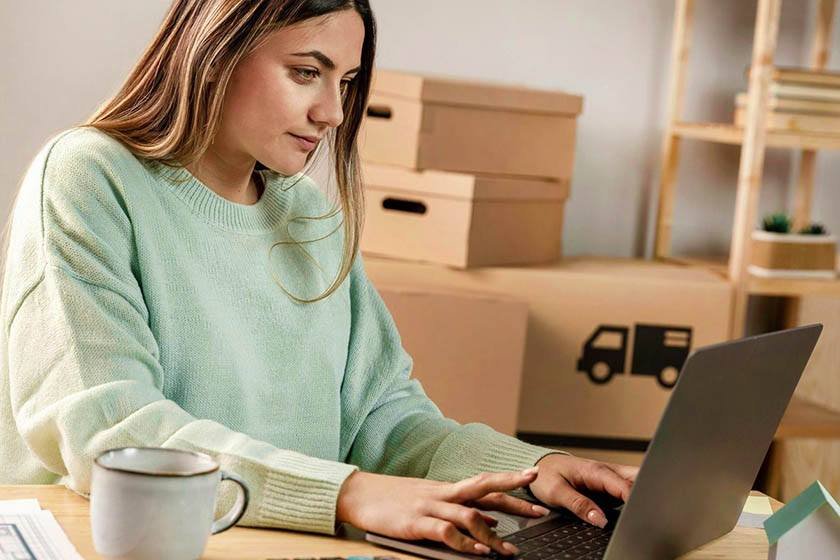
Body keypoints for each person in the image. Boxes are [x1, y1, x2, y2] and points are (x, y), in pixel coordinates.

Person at [0, 0, 638, 556]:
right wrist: (349, 493)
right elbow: (113, 430)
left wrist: (529, 469)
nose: (333, 112)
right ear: (215, 50)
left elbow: (381, 420)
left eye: (347, 80)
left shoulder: (308, 214)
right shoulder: (89, 178)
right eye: (307, 73)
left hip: (286, 548)